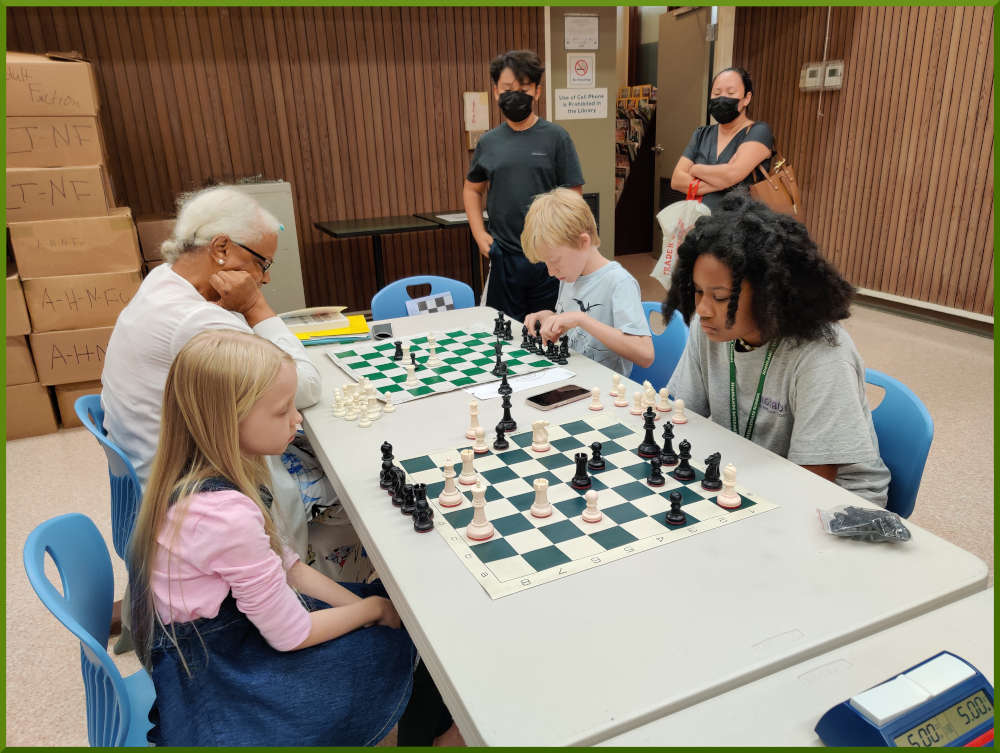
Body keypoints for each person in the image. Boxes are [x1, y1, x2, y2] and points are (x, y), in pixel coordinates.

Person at [127, 330, 459, 746]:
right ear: (228, 419)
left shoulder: (206, 478)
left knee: (398, 614)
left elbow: (290, 568)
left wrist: (371, 610)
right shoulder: (221, 514)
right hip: (219, 674)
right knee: (393, 645)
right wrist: (372, 610)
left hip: (234, 635)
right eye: (282, 410)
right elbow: (289, 634)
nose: (298, 419)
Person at [102, 186, 364, 580]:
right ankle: (316, 593)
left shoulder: (160, 281)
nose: (266, 277)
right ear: (221, 248)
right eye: (262, 262)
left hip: (164, 471)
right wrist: (256, 306)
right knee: (355, 488)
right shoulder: (196, 320)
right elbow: (305, 386)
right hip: (196, 492)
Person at [664, 191, 891, 506]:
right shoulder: (709, 329)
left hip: (838, 502)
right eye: (699, 291)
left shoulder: (822, 356)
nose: (702, 309)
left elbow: (814, 482)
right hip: (750, 472)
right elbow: (683, 418)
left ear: (767, 294)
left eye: (719, 296)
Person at [463, 49, 585, 323]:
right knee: (503, 331)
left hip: (549, 259)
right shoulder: (489, 142)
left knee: (547, 331)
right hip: (504, 255)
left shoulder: (556, 138)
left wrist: (567, 248)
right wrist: (479, 233)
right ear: (496, 91)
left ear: (537, 92)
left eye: (524, 88)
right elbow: (472, 189)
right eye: (507, 88)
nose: (514, 94)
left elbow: (573, 196)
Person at [521, 188, 654, 377]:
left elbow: (645, 354)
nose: (551, 272)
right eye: (546, 264)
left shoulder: (618, 282)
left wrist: (581, 320)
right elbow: (572, 327)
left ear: (583, 242)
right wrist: (550, 317)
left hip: (605, 392)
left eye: (555, 261)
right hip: (572, 378)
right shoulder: (569, 275)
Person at [670, 67, 773, 212]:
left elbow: (731, 174)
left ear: (746, 98)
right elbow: (676, 180)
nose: (722, 98)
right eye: (716, 93)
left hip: (741, 227)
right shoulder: (701, 134)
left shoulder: (759, 131)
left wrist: (695, 169)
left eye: (730, 93)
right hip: (699, 225)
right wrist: (723, 180)